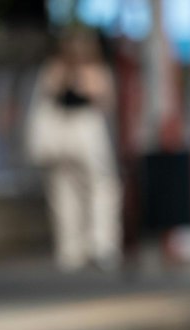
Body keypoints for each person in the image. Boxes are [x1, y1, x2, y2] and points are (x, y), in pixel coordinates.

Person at [27, 27, 119, 272]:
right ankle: (93, 246)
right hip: (81, 133)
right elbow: (104, 99)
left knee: (68, 192)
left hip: (68, 136)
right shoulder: (85, 68)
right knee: (93, 189)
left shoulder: (58, 68)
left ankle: (78, 249)